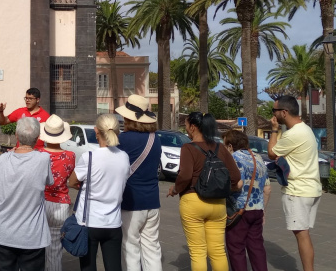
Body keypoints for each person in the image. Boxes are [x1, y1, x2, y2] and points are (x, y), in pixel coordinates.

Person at [168, 112, 242, 271]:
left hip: (193, 201)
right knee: (217, 251)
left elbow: (185, 175)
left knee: (198, 252)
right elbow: (236, 177)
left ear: (193, 127)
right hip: (218, 205)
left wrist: (175, 189)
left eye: (186, 125)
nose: (186, 128)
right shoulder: (220, 147)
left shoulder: (188, 148)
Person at [0, 117, 53, 271]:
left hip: (3, 233)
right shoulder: (43, 159)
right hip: (32, 235)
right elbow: (48, 182)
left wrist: (1, 197)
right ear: (37, 137)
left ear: (17, 136)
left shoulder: (3, 159)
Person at [68, 114, 131, 271]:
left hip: (89, 222)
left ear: (96, 131)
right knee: (114, 266)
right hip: (113, 222)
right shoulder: (124, 157)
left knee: (88, 267)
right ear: (117, 132)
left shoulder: (89, 157)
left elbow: (71, 181)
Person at [268, 95, 322, 271]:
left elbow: (271, 153)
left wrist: (274, 130)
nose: (273, 114)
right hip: (311, 188)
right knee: (304, 233)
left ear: (284, 112)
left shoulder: (293, 134)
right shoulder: (305, 129)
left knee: (302, 235)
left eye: (274, 111)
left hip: (298, 190)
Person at [115, 96, 163, 271]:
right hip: (152, 199)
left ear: (128, 118)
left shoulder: (124, 139)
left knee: (130, 246)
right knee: (152, 247)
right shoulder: (155, 138)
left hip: (132, 200)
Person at [223, 129, 270, 271]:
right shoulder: (258, 158)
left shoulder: (235, 158)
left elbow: (239, 184)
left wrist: (223, 190)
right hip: (257, 209)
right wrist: (263, 210)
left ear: (230, 145)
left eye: (225, 145)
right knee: (257, 248)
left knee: (236, 248)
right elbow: (267, 189)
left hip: (239, 210)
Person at [36, 115, 76, 271]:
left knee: (34, 247)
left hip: (39, 202)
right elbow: (72, 180)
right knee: (54, 250)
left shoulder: (38, 153)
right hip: (60, 204)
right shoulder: (70, 156)